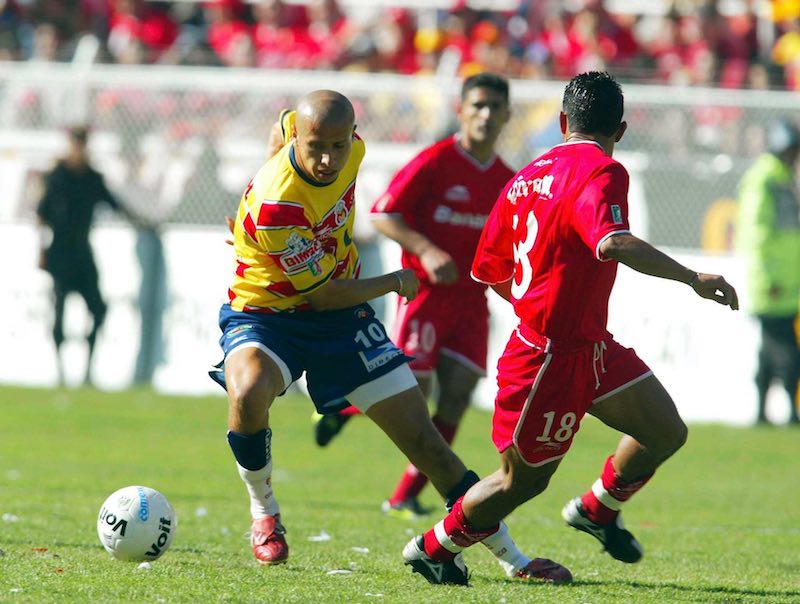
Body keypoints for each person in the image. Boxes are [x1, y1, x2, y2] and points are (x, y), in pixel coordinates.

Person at [401, 71, 739, 586]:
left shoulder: (523, 177)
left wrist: (538, 300)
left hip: (588, 347)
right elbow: (613, 241)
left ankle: (597, 508)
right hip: (548, 358)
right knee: (522, 482)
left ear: (562, 122)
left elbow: (489, 271)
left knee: (665, 431)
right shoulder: (603, 170)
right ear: (620, 131)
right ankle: (432, 547)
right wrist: (692, 277)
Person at [209, 90, 552, 581]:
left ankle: (514, 560)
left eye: (338, 145)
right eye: (315, 147)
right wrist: (394, 281)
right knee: (247, 390)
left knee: (427, 444)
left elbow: (282, 124)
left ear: (353, 136)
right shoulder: (276, 204)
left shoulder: (342, 145)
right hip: (270, 311)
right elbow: (323, 294)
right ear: (299, 142)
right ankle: (263, 512)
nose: (328, 159)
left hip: (341, 321)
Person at [312, 72, 515, 521]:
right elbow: (384, 213)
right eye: (477, 105)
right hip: (425, 297)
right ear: (461, 110)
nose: (485, 114)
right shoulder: (435, 161)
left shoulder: (507, 178)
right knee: (412, 395)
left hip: (471, 303)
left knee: (459, 396)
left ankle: (404, 493)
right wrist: (424, 248)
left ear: (507, 115)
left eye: (494, 107)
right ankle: (346, 409)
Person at [36, 125, 142, 386]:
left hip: (82, 251)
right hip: (60, 250)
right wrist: (40, 250)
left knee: (98, 308)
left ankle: (87, 371)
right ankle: (60, 372)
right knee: (60, 308)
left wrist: (143, 222)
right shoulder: (57, 177)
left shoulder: (92, 178)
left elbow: (114, 204)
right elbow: (41, 213)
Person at [736, 119, 800, 425]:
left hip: (784, 281)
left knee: (769, 349)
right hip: (774, 283)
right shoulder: (765, 180)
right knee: (787, 350)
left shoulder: (779, 178)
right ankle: (790, 411)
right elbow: (756, 234)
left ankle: (762, 412)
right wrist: (771, 278)